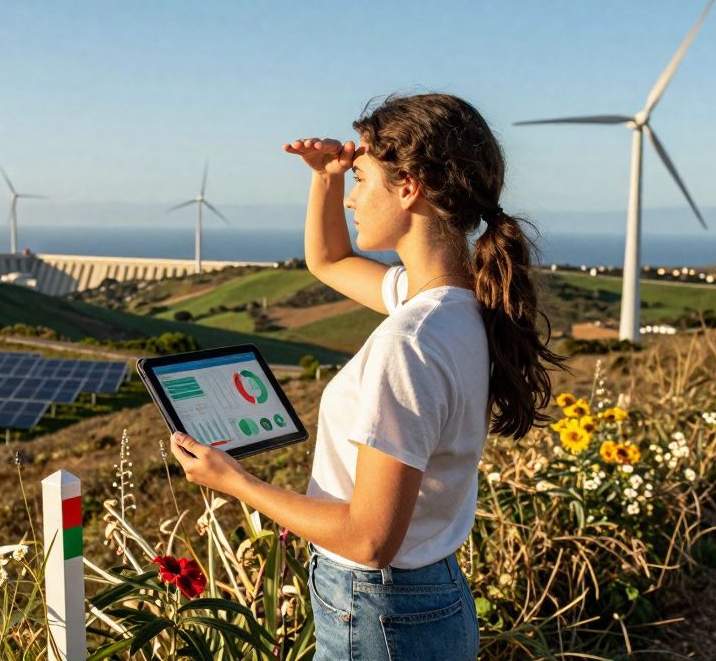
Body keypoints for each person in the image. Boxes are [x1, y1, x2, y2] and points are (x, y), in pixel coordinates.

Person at [169, 93, 568, 660]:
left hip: (383, 612)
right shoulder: (462, 307)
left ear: (408, 186)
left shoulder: (410, 343)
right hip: (431, 599)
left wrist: (233, 481)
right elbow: (328, 261)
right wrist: (325, 178)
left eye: (360, 179)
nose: (353, 198)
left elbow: (370, 539)